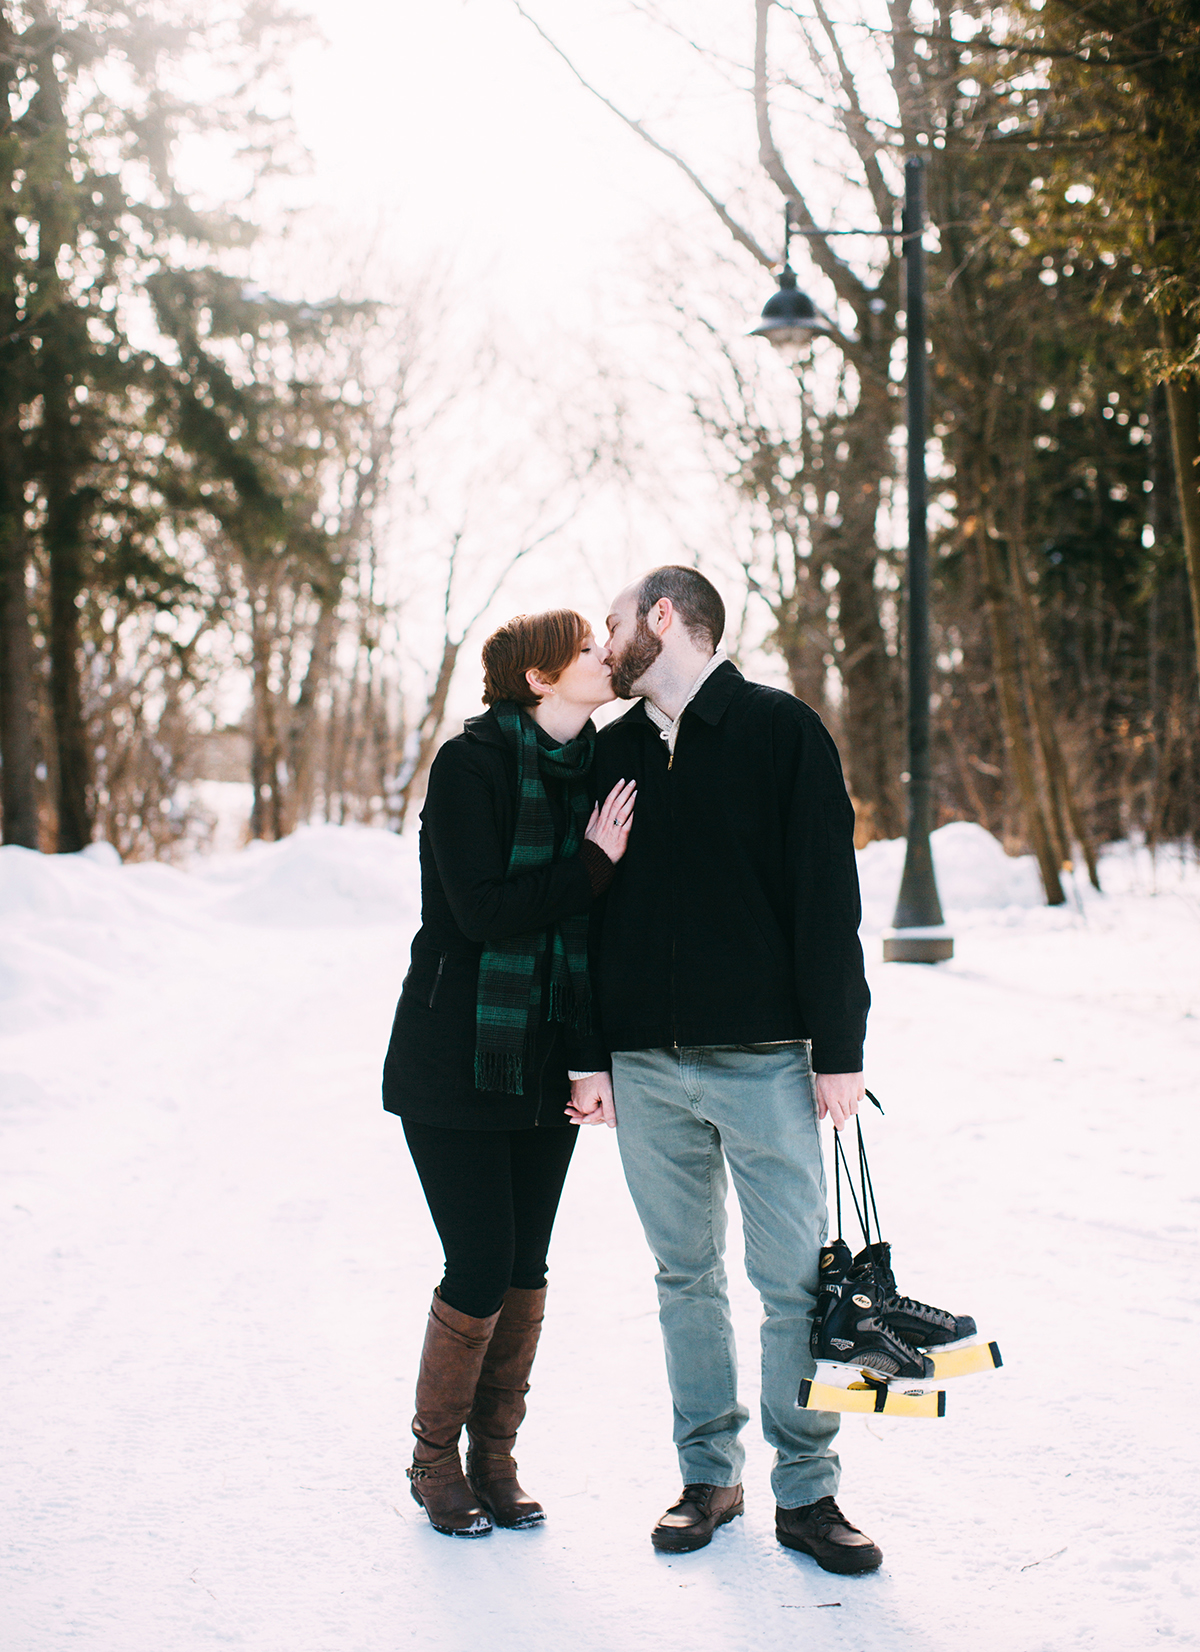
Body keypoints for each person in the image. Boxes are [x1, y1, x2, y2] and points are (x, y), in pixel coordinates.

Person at [567, 566, 881, 1575]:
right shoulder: (609, 752)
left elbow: (829, 897)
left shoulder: (783, 733)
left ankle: (809, 1490)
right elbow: (584, 915)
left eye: (614, 623)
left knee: (791, 1281)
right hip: (646, 1068)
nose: (605, 642)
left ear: (664, 617)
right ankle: (709, 1475)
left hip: (766, 1063)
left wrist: (840, 1048)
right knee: (683, 1275)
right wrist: (593, 1052)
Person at [383, 609, 634, 1539]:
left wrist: (590, 1059)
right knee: (480, 1260)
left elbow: (593, 937)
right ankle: (431, 1460)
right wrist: (591, 865)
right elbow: (483, 910)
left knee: (526, 1266)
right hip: (456, 1056)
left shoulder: (594, 771)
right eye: (586, 650)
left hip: (543, 1058)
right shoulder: (470, 766)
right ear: (538, 679)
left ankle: (496, 1458)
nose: (605, 658)